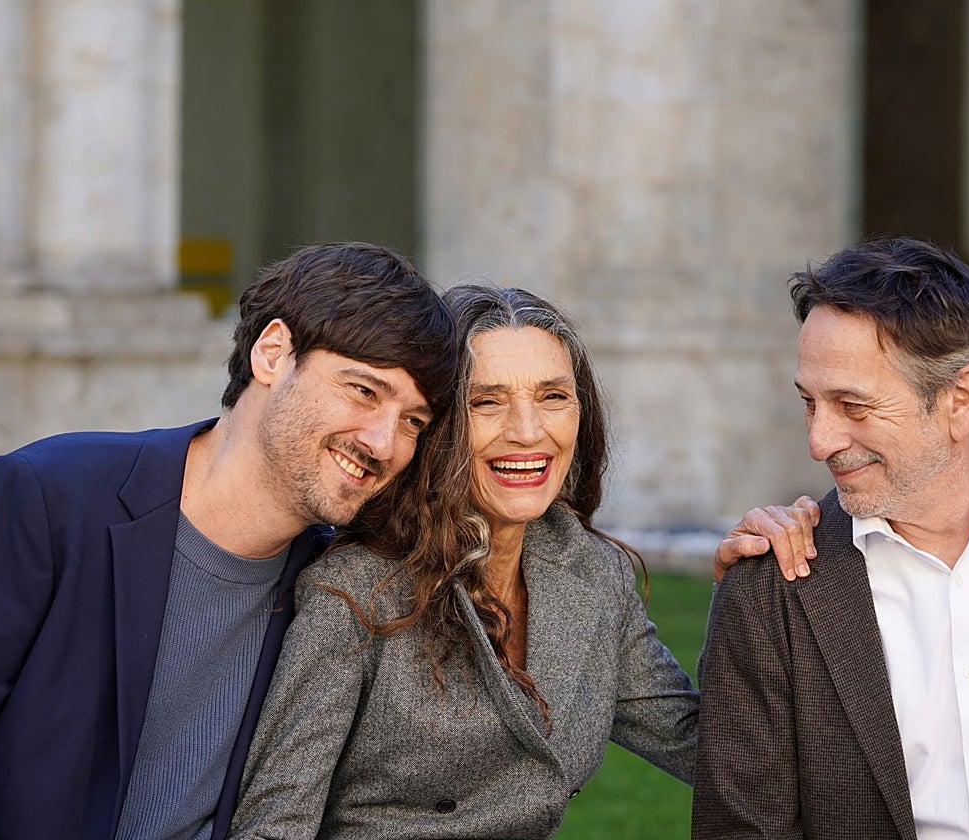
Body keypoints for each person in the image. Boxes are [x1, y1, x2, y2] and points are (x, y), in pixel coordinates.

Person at [228, 285, 815, 839]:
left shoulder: (589, 573)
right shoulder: (353, 591)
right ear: (439, 426)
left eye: (552, 397)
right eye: (487, 402)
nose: (528, 432)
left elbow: (715, 749)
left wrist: (747, 594)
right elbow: (275, 824)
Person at [0, 243, 459, 840]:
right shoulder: (45, 501)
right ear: (272, 354)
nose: (384, 442)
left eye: (413, 421)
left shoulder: (339, 589)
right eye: (364, 391)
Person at [692, 237, 969, 839]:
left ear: (961, 399)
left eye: (853, 405)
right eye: (810, 404)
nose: (820, 442)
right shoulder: (770, 589)